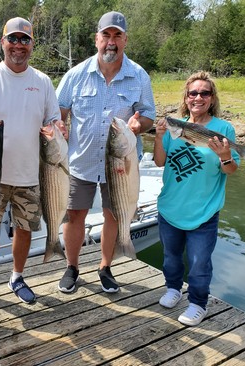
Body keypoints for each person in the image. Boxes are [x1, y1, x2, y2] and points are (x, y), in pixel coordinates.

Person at [0, 18, 64, 311]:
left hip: (31, 173)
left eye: (24, 40)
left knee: (25, 228)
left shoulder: (42, 81)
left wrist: (56, 128)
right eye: (13, 39)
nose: (18, 45)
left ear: (32, 45)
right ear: (3, 42)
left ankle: (17, 277)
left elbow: (52, 119)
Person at [56, 11, 156, 293]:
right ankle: (71, 267)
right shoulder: (76, 75)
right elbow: (58, 112)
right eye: (106, 35)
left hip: (121, 165)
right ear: (96, 39)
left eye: (117, 36)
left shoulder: (139, 76)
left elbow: (148, 114)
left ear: (125, 39)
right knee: (74, 215)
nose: (111, 42)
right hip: (80, 162)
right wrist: (60, 126)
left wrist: (139, 124)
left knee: (114, 214)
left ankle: (105, 267)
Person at [153, 71, 240, 326]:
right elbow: (160, 161)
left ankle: (198, 303)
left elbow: (231, 169)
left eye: (204, 93)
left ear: (212, 98)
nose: (198, 97)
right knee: (170, 256)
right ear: (186, 97)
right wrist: (159, 137)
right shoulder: (176, 127)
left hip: (204, 211)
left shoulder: (223, 128)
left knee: (200, 263)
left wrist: (225, 155)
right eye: (193, 93)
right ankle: (173, 288)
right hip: (170, 207)